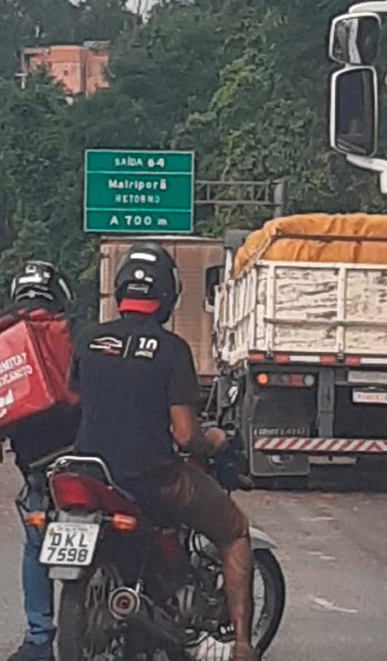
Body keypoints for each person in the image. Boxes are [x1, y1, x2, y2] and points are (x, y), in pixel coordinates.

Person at [69, 243, 257, 661]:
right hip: (152, 478)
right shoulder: (172, 350)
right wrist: (216, 440)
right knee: (235, 531)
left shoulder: (88, 341)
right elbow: (187, 435)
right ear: (169, 296)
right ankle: (243, 645)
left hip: (93, 476)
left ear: (120, 291)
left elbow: (76, 404)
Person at [0, 261, 79, 661]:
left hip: (35, 467)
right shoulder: (73, 334)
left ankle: (37, 635)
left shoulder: (1, 338)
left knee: (35, 546)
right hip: (81, 457)